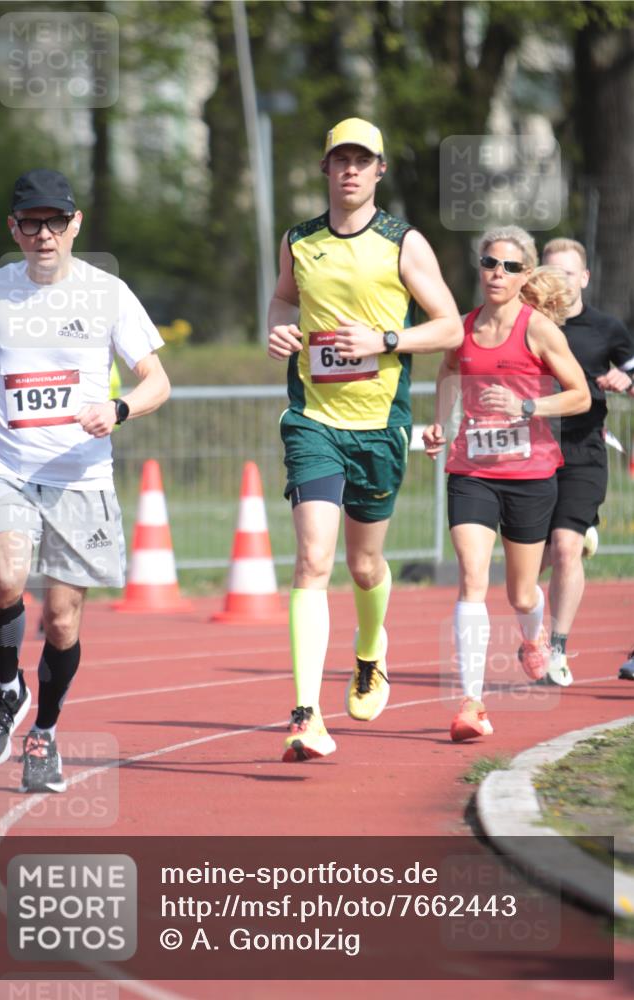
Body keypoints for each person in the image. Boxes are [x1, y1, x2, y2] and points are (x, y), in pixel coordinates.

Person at [0, 168, 170, 791]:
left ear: (75, 223)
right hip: (7, 465)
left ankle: (45, 734)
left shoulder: (107, 294)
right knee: (4, 577)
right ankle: (7, 688)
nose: (45, 234)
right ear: (15, 228)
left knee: (60, 620)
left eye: (57, 221)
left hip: (80, 477)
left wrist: (117, 409)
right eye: (32, 223)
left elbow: (157, 380)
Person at [267, 117, 463, 762]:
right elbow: (281, 302)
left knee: (364, 564)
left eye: (363, 160)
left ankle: (371, 651)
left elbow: (450, 328)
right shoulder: (298, 241)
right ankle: (303, 713)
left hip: (380, 425)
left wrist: (383, 341)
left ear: (380, 170)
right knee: (313, 560)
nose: (349, 170)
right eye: (339, 159)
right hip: (314, 420)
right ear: (324, 169)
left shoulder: (402, 242)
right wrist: (278, 332)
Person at [422, 225, 590, 741]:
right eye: (490, 263)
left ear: (525, 274)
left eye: (510, 267)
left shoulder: (538, 329)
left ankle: (533, 635)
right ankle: (472, 703)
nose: (498, 273)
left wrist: (527, 406)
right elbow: (448, 373)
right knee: (473, 578)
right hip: (470, 469)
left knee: (520, 595)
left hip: (530, 473)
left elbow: (579, 394)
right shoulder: (463, 327)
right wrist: (439, 424)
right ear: (480, 268)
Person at [539, 238, 634, 685]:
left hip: (584, 450)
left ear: (584, 278)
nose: (559, 281)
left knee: (564, 547)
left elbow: (632, 371)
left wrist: (626, 378)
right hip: (530, 450)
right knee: (530, 561)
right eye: (550, 272)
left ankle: (556, 648)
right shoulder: (530, 324)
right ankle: (576, 540)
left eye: (567, 273)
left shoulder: (606, 328)